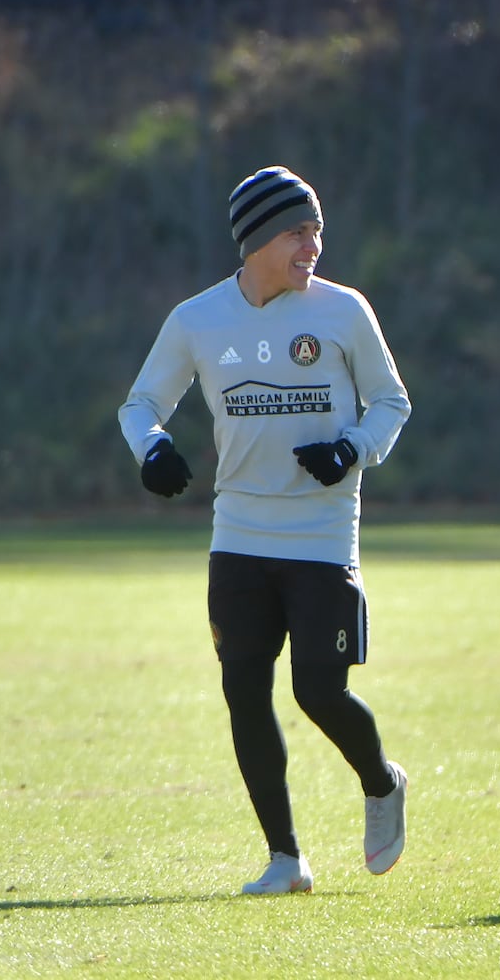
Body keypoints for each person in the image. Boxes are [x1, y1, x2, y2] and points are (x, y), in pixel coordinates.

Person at [119, 166, 413, 895]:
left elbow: (390, 403)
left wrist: (350, 447)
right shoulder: (197, 320)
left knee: (319, 692)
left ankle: (382, 784)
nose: (313, 244)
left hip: (321, 537)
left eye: (316, 229)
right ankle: (285, 859)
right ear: (255, 240)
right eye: (297, 231)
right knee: (245, 693)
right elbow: (140, 403)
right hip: (239, 537)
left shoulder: (344, 312)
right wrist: (152, 448)